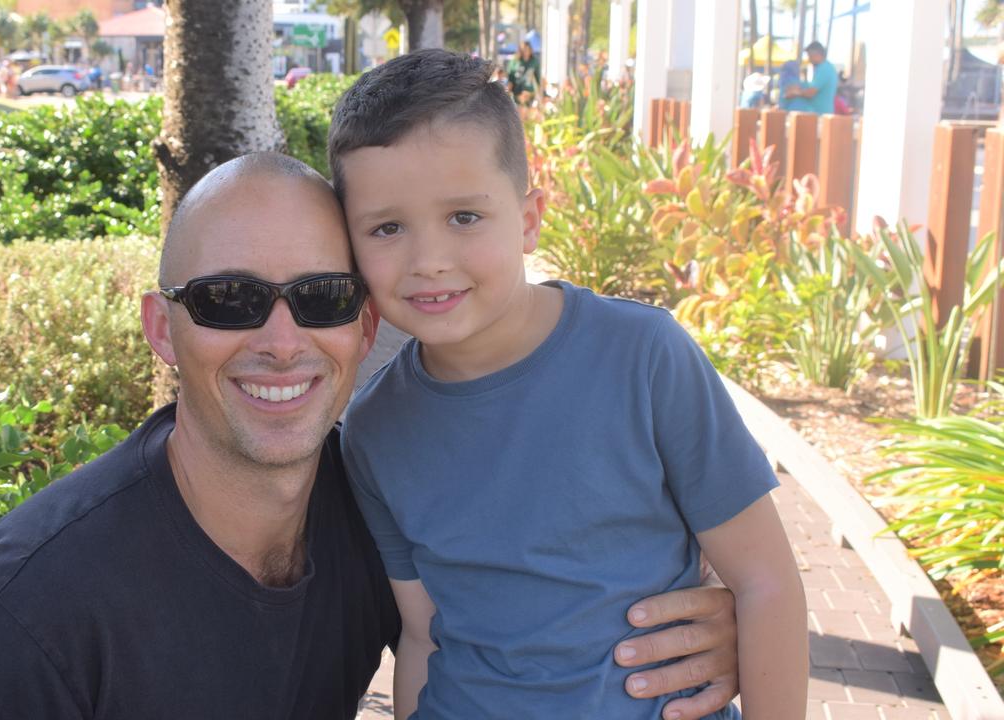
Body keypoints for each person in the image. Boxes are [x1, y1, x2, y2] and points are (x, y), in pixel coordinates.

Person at [0, 152, 746, 719]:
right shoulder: (25, 614)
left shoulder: (375, 504)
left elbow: (529, 600)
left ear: (364, 323)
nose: (281, 339)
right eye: (229, 299)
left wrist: (708, 627)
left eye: (322, 299)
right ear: (163, 329)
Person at [329, 49, 808, 720]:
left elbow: (765, 583)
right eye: (387, 228)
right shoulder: (374, 429)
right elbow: (421, 633)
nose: (429, 261)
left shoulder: (644, 357)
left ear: (528, 218)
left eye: (464, 216)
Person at [784, 41, 838, 115]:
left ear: (817, 54)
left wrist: (795, 93)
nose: (809, 59)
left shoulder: (824, 69)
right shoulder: (823, 68)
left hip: (819, 115)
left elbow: (810, 93)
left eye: (810, 56)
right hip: (817, 114)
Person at [506, 40, 541, 106]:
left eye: (528, 49)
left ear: (530, 50)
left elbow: (538, 80)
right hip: (517, 92)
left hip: (529, 93)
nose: (526, 51)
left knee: (527, 112)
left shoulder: (534, 62)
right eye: (524, 49)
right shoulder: (514, 62)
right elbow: (510, 79)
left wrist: (535, 93)